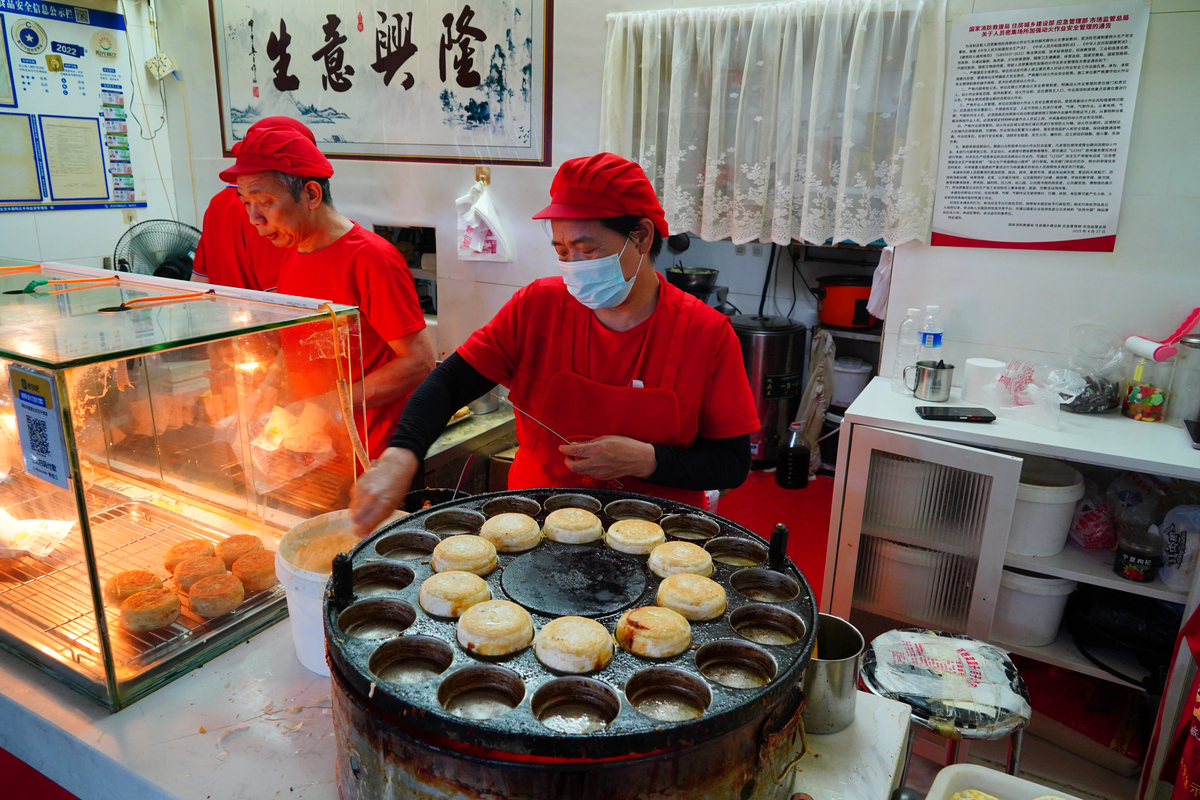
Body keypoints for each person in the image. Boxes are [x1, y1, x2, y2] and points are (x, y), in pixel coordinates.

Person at [351, 152, 760, 533]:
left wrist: (648, 460)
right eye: (562, 250)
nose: (573, 266)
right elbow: (449, 383)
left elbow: (731, 464)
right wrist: (401, 454)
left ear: (641, 237)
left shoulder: (705, 334)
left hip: (654, 538)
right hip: (533, 524)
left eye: (587, 249)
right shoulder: (538, 306)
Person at [217, 120, 435, 459]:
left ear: (311, 194)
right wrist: (269, 384)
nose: (254, 218)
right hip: (312, 449)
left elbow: (419, 362)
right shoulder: (294, 252)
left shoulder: (371, 259)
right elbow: (305, 342)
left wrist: (329, 405)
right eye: (246, 203)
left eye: (264, 201)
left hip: (368, 454)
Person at [191, 116, 314, 291]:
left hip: (225, 314)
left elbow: (199, 281)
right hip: (269, 316)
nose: (253, 217)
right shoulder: (272, 211)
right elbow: (284, 296)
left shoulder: (216, 202)